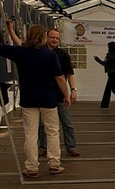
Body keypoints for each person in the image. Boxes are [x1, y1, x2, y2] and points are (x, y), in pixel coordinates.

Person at [0, 6, 69, 177]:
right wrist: (66, 94)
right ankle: (54, 164)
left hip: (29, 100)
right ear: (44, 37)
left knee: (30, 134)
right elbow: (60, 77)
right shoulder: (50, 55)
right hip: (48, 99)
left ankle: (31, 167)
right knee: (52, 131)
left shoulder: (20, 53)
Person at [32, 27, 80, 157]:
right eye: (52, 37)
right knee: (43, 124)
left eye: (57, 38)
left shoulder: (63, 55)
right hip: (44, 94)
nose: (54, 40)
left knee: (66, 121)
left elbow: (69, 74)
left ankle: (71, 146)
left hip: (59, 95)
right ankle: (43, 146)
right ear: (46, 37)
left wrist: (73, 90)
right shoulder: (38, 52)